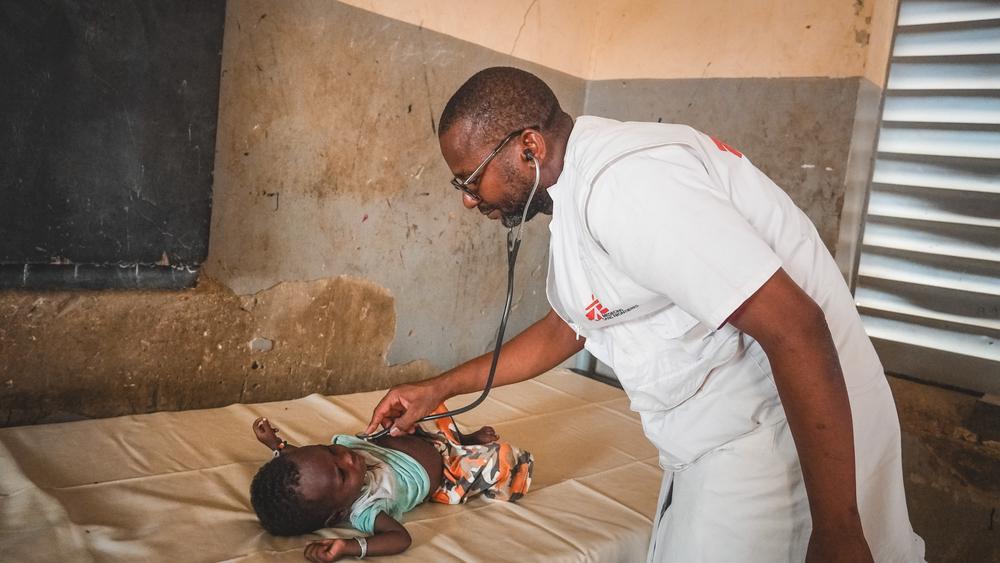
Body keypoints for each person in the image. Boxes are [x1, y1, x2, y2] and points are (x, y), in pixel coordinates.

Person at [364, 67, 925, 562]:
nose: (468, 198)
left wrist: (838, 531)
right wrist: (438, 388)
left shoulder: (627, 186)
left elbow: (795, 325)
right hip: (715, 440)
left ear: (528, 147)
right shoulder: (579, 188)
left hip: (773, 442)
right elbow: (571, 325)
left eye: (469, 178)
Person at [249, 410, 533, 562]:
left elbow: (308, 464)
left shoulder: (322, 472)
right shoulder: (366, 509)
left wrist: (278, 445)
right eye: (342, 473)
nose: (348, 456)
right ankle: (465, 446)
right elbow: (400, 538)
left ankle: (462, 437)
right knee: (506, 463)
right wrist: (350, 547)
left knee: (416, 406)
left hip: (415, 438)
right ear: (336, 515)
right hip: (449, 471)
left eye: (331, 449)